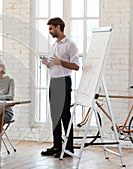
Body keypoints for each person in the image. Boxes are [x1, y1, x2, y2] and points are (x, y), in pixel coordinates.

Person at [40, 17, 80, 158]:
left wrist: (60, 62)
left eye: (51, 28)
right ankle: (57, 146)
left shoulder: (70, 44)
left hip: (64, 81)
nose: (50, 31)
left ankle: (69, 148)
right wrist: (47, 63)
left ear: (58, 27)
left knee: (65, 115)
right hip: (54, 81)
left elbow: (76, 66)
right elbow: (54, 64)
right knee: (55, 116)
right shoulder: (54, 45)